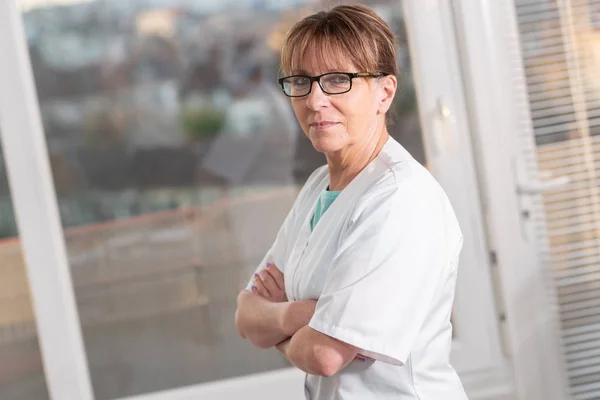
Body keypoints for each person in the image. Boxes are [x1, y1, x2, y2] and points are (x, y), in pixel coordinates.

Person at [234, 5, 467, 399]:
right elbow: (246, 316)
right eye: (301, 82)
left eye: (338, 80)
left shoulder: (400, 200)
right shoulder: (318, 187)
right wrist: (301, 315)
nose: (315, 100)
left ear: (384, 92)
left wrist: (283, 328)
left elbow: (324, 354)